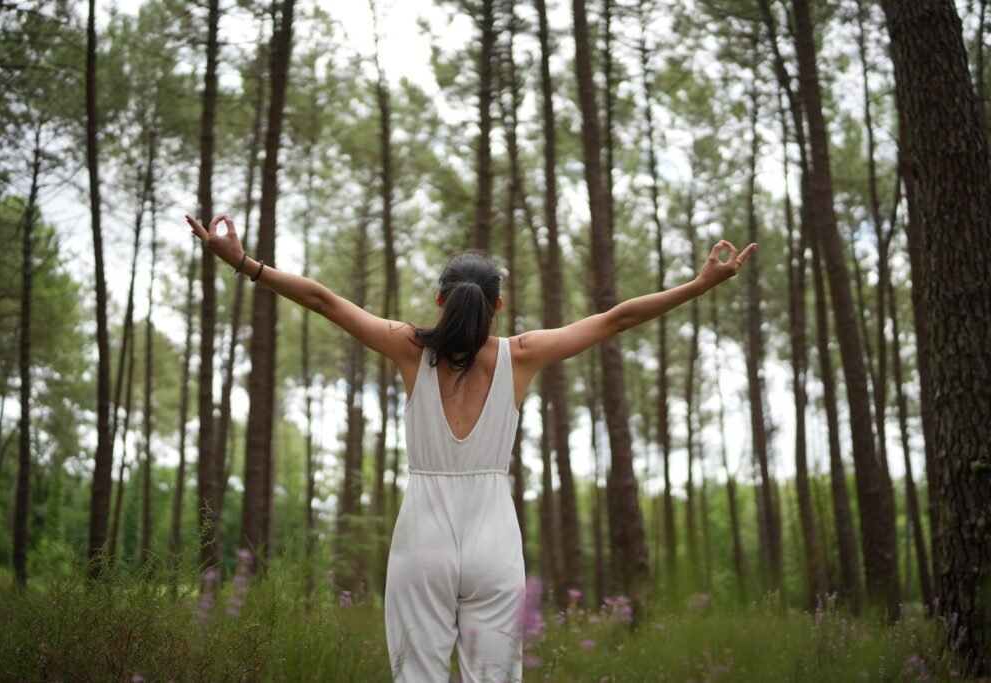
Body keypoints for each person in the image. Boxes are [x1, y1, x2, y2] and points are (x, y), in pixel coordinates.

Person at [186, 212, 757, 682]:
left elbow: (324, 301)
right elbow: (616, 320)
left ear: (440, 300)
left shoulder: (411, 348)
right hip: (494, 541)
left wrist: (242, 261)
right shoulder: (524, 353)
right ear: (497, 307)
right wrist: (700, 284)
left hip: (422, 539)